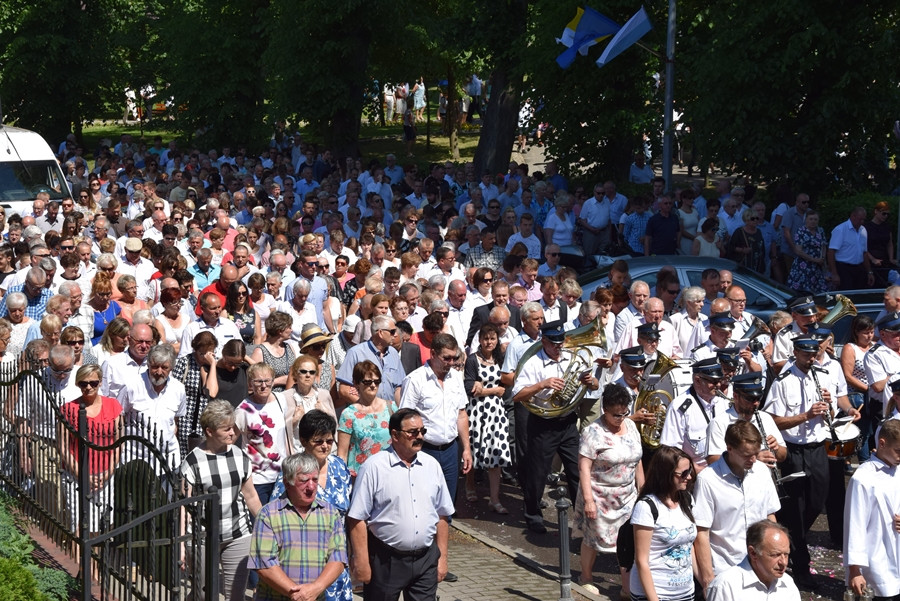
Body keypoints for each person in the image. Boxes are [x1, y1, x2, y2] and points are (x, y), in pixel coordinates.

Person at [346, 408, 456, 600]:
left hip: (426, 560)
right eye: (413, 432)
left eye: (423, 431)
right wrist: (361, 560)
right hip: (386, 560)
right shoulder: (374, 467)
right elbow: (357, 518)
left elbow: (442, 515)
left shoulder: (432, 466)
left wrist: (442, 558)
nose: (420, 436)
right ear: (395, 435)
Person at [512, 321, 598, 533]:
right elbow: (516, 395)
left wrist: (591, 381)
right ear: (544, 341)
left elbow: (595, 386)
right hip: (543, 425)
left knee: (577, 470)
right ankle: (533, 516)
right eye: (553, 343)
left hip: (567, 422)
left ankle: (583, 518)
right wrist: (542, 384)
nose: (558, 347)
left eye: (561, 342)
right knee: (538, 473)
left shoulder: (572, 357)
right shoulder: (533, 363)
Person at [766, 335, 835, 589]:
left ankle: (791, 538)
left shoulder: (823, 375)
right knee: (795, 507)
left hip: (817, 447)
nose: (811, 358)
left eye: (814, 353)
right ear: (795, 352)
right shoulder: (783, 381)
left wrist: (830, 406)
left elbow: (833, 412)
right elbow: (774, 420)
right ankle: (801, 564)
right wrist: (806, 416)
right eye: (806, 354)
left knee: (818, 500)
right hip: (793, 450)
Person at [180, 400, 261, 601]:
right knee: (204, 594)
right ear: (209, 431)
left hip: (238, 534)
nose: (232, 433)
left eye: (233, 427)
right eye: (226, 429)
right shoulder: (192, 461)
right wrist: (181, 544)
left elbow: (250, 495)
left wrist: (268, 525)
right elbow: (182, 508)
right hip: (202, 537)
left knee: (236, 595)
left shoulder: (240, 456)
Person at [574, 384, 644, 597]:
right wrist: (588, 500)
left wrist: (644, 491)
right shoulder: (592, 432)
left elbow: (637, 462)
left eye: (624, 413)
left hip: (627, 495)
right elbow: (584, 467)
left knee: (627, 543)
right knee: (592, 539)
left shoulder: (630, 426)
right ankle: (585, 576)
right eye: (616, 415)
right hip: (599, 494)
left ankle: (626, 588)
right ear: (605, 409)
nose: (621, 418)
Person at [248, 452, 347, 601]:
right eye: (304, 481)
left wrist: (316, 588)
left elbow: (338, 559)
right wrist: (297, 594)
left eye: (315, 479)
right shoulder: (268, 514)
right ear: (287, 483)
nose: (311, 487)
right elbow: (264, 564)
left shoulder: (330, 513)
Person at [694, 421, 780, 589]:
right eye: (747, 455)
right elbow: (701, 532)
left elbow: (770, 516)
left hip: (760, 567)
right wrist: (707, 580)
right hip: (725, 570)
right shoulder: (708, 480)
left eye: (756, 453)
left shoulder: (762, 471)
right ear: (730, 448)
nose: (754, 459)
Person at [399, 333, 472, 511]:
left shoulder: (455, 378)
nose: (451, 362)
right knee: (424, 504)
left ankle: (443, 538)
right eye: (446, 358)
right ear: (432, 354)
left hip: (450, 450)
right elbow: (405, 418)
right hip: (424, 449)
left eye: (454, 358)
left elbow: (461, 415)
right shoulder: (415, 380)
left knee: (447, 506)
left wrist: (466, 449)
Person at [296, 410, 354, 601]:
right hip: (305, 562)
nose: (325, 446)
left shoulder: (339, 467)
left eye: (329, 441)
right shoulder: (292, 471)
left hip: (337, 561)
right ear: (304, 441)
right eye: (318, 441)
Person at [59, 364, 123, 531]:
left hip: (105, 474)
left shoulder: (113, 406)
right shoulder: (67, 409)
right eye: (83, 383)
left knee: (103, 524)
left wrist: (108, 472)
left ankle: (97, 557)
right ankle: (77, 557)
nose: (88, 387)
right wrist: (82, 474)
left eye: (93, 383)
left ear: (100, 383)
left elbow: (118, 443)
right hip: (76, 475)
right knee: (79, 524)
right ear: (77, 384)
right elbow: (63, 446)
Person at [630, 445, 697, 601]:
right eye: (684, 473)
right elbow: (641, 560)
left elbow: (687, 546)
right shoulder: (646, 507)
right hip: (654, 594)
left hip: (685, 592)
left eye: (690, 471)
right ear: (666, 474)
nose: (689, 477)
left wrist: (705, 582)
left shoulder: (687, 499)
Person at [843, 418, 900, 601]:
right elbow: (855, 524)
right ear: (882, 443)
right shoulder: (863, 479)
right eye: (898, 451)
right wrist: (854, 570)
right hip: (877, 561)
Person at [462, 324, 511, 513]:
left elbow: (507, 382)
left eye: (492, 338)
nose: (489, 342)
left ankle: (495, 498)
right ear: (480, 340)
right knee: (474, 450)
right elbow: (470, 389)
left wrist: (484, 389)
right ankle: (470, 484)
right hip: (477, 411)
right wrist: (493, 390)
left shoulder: (500, 358)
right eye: (485, 339)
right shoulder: (473, 360)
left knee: (495, 452)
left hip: (496, 412)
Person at [235, 363, 292, 506]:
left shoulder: (281, 400)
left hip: (281, 475)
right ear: (250, 383)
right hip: (257, 479)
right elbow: (231, 439)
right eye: (258, 381)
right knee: (261, 523)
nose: (263, 386)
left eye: (267, 381)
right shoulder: (243, 410)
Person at [659, 358, 727, 471]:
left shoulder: (723, 403)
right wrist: (696, 470)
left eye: (720, 380)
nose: (719, 385)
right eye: (714, 381)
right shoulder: (679, 407)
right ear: (698, 380)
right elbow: (670, 451)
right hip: (695, 474)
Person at [706, 520, 800, 601]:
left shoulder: (787, 584)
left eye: (786, 554)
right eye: (776, 555)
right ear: (753, 553)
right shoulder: (726, 586)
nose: (784, 562)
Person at [337, 361, 397, 479]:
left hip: (389, 474)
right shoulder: (349, 414)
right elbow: (342, 454)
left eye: (377, 381)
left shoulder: (392, 408)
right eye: (367, 382)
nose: (373, 385)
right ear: (356, 384)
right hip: (361, 477)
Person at [840, 315, 875, 462]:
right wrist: (868, 389)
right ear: (856, 332)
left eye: (872, 331)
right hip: (858, 395)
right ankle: (864, 461)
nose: (869, 336)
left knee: (874, 430)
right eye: (866, 332)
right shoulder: (850, 348)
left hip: (875, 394)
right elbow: (848, 376)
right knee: (864, 432)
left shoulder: (875, 346)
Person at [284, 354, 337, 451]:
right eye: (303, 372)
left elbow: (334, 426)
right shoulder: (285, 396)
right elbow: (279, 430)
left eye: (312, 372)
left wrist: (326, 413)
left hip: (321, 450)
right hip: (295, 451)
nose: (308, 375)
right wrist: (294, 420)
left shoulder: (324, 395)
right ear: (296, 374)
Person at [249, 311, 298, 393]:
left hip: (291, 395)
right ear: (280, 331)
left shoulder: (289, 348)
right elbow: (253, 383)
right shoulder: (260, 352)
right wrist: (277, 381)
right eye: (289, 327)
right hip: (271, 396)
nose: (291, 330)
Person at [827, 206, 874, 290]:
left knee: (859, 295)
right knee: (846, 297)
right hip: (843, 268)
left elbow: (864, 252)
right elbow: (831, 252)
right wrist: (834, 274)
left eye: (863, 219)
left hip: (859, 268)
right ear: (853, 216)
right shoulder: (840, 230)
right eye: (860, 219)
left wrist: (869, 272)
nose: (861, 222)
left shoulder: (863, 230)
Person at [786, 210, 828, 294]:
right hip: (803, 267)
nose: (813, 221)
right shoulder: (801, 231)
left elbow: (823, 245)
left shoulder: (820, 231)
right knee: (802, 292)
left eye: (815, 219)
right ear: (806, 220)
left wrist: (822, 258)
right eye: (811, 219)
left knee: (818, 291)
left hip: (817, 267)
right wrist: (814, 260)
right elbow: (798, 251)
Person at [725, 209, 766, 274]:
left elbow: (762, 248)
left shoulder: (758, 232)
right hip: (743, 265)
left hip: (757, 265)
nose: (755, 220)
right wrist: (742, 250)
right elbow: (730, 247)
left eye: (757, 218)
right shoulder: (739, 232)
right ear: (746, 220)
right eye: (753, 219)